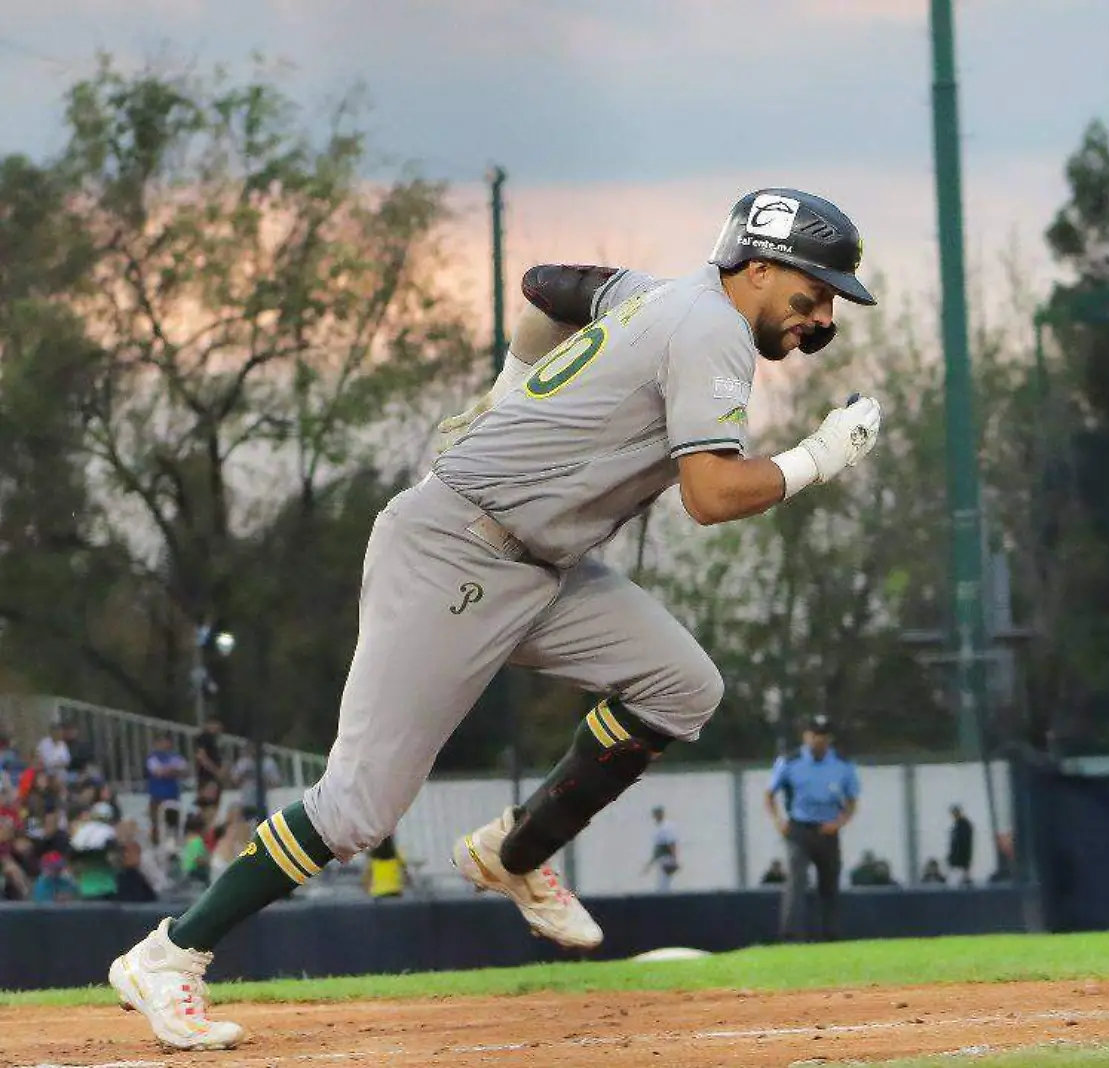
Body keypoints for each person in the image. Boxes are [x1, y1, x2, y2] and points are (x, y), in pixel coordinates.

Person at [107, 188, 883, 1051]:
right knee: (359, 808)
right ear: (759, 267)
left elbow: (545, 284)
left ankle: (512, 855)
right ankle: (169, 955)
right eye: (810, 295)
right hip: (456, 553)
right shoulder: (712, 328)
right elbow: (709, 497)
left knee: (682, 685)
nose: (817, 320)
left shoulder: (656, 294)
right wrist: (816, 459)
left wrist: (509, 391)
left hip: (539, 564)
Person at [764, 715, 860, 942]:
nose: (819, 740)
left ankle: (831, 935)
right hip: (799, 829)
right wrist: (779, 822)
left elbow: (852, 801)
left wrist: (838, 823)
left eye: (824, 736)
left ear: (830, 738)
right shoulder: (790, 762)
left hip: (828, 830)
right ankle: (792, 935)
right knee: (796, 881)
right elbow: (769, 795)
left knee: (829, 882)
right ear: (806, 736)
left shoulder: (842, 765)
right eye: (815, 735)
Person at [143, 736, 189, 846]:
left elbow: (185, 770)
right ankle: (156, 847)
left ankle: (176, 846)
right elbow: (158, 772)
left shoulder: (175, 757)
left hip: (173, 797)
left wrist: (168, 771)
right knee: (157, 825)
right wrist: (173, 771)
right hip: (157, 798)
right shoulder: (152, 758)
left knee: (176, 825)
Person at [643, 805, 681, 891]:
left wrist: (674, 859)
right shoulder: (659, 827)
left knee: (664, 882)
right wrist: (649, 864)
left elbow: (671, 843)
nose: (656, 816)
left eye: (658, 813)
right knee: (661, 882)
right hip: (660, 858)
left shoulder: (666, 827)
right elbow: (657, 850)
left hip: (666, 858)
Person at [194, 718, 229, 808]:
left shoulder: (216, 740)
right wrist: (215, 770)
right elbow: (201, 756)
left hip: (213, 776)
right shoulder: (205, 738)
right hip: (207, 776)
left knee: (214, 802)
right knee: (207, 802)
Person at [947, 803, 975, 887]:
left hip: (961, 863)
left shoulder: (963, 826)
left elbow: (965, 846)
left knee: (956, 884)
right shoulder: (958, 826)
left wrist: (965, 864)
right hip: (958, 863)